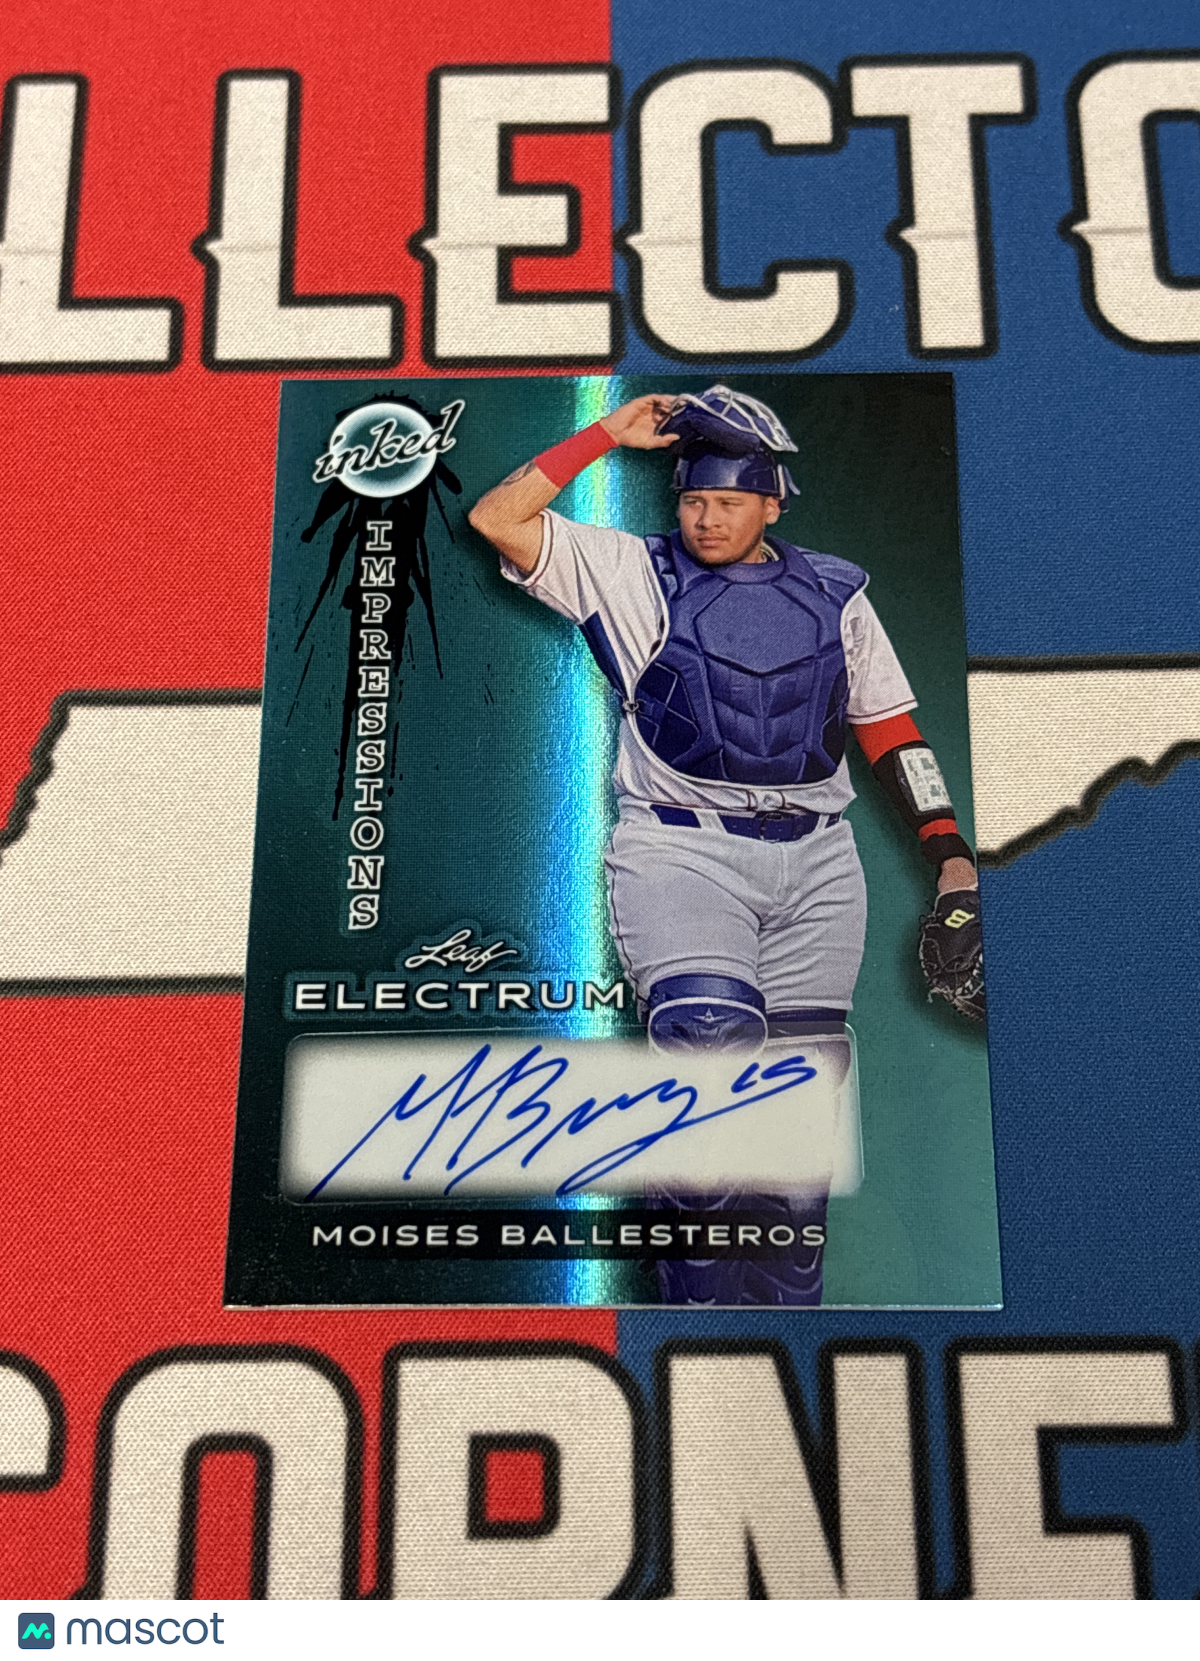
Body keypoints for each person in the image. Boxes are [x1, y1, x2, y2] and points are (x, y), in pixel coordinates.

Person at [468, 384, 982, 1305]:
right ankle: (691, 1318)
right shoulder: (628, 570)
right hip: (682, 851)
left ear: (773, 502)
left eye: (729, 500)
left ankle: (782, 1336)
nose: (706, 518)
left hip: (820, 861)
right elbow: (498, 517)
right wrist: (605, 433)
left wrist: (951, 857)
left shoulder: (837, 591)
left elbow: (891, 731)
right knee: (710, 1054)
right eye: (694, 499)